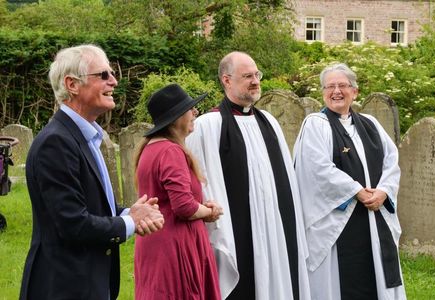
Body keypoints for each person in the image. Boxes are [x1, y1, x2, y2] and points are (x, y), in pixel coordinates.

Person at [20, 44, 165, 300]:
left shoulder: (84, 136)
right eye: (104, 75)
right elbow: (73, 224)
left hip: (88, 283)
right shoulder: (56, 142)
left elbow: (89, 204)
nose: (115, 81)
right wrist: (131, 222)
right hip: (64, 287)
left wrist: (128, 212)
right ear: (72, 85)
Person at [186, 51, 311, 300]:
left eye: (257, 75)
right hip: (236, 228)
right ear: (227, 80)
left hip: (275, 226)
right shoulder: (209, 125)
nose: (255, 81)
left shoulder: (270, 123)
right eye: (247, 76)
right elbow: (200, 180)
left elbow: (286, 178)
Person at [293, 63, 406, 299]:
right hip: (339, 222)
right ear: (323, 92)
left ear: (354, 91)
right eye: (330, 86)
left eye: (342, 85)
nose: (336, 91)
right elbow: (317, 169)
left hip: (374, 217)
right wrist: (357, 191)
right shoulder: (316, 124)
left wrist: (383, 191)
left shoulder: (370, 124)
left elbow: (391, 161)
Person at [133, 83, 223, 300]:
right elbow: (184, 207)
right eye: (189, 109)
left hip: (155, 245)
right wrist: (209, 211)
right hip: (174, 249)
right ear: (176, 117)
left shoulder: (150, 148)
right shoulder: (170, 151)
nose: (195, 113)